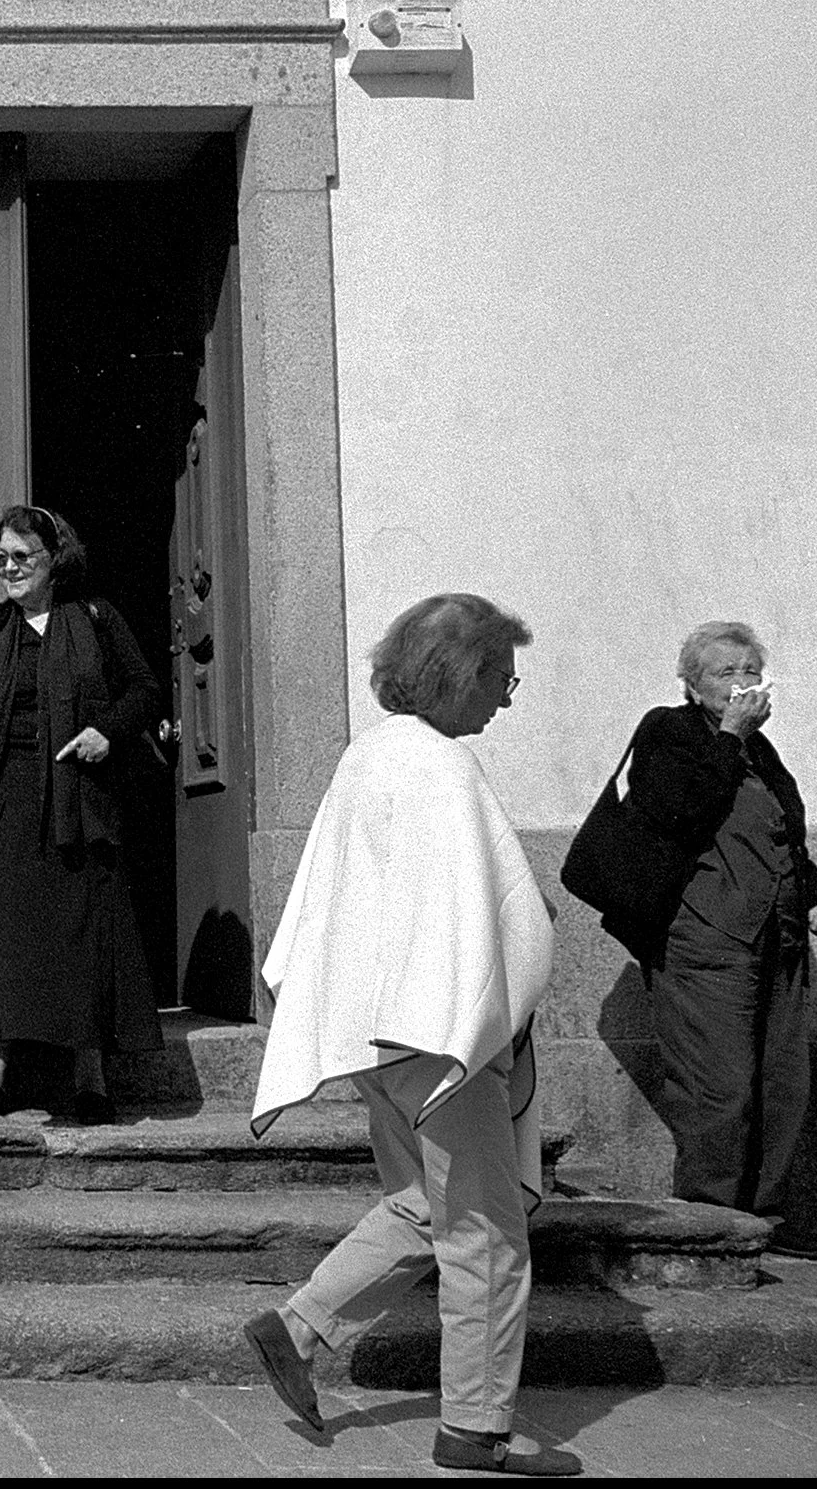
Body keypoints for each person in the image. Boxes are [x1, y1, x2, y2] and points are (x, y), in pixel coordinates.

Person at [241, 593, 582, 1477]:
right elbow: (474, 912)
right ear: (460, 672)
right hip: (439, 1032)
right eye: (501, 678)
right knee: (490, 1233)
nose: (506, 699)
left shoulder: (370, 755)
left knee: (425, 1205)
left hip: (381, 1033)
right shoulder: (439, 767)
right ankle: (475, 1427)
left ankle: (299, 1324)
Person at [622, 621, 817, 1257]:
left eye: (750, 669)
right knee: (718, 1087)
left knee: (784, 1085)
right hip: (704, 941)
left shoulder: (760, 751)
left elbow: (784, 836)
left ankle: (763, 1224)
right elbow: (682, 813)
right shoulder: (668, 732)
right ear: (691, 684)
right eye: (725, 672)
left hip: (774, 939)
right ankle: (708, 1229)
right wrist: (728, 737)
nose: (742, 681)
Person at [0, 506, 163, 1121]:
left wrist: (105, 732)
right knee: (2, 935)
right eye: (0, 558)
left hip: (77, 799)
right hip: (3, 803)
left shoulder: (95, 620)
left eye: (21, 558)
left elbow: (144, 691)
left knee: (82, 934)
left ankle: (90, 1075)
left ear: (54, 560)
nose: (8, 569)